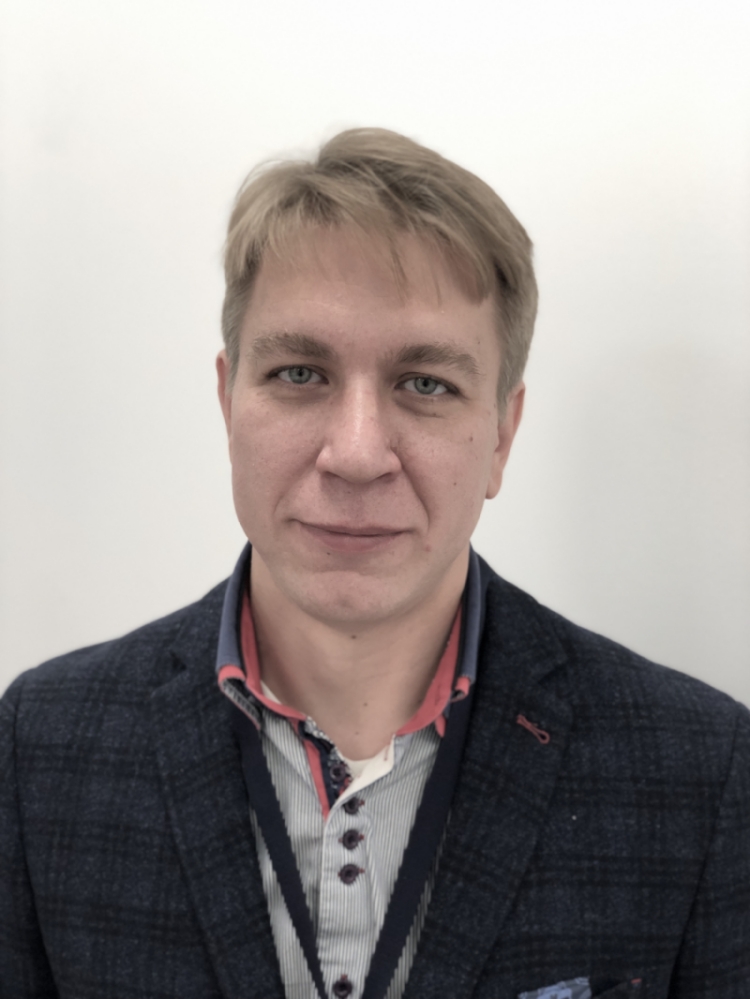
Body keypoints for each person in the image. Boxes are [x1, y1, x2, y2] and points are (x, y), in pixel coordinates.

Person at [1, 129, 748, 999]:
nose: (356, 454)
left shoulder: (703, 771)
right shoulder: (38, 749)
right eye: (299, 373)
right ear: (228, 402)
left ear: (501, 435)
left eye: (426, 384)